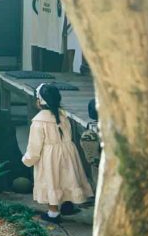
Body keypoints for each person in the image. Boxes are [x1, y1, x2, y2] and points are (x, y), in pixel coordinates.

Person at [21, 83, 94, 223]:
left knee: (52, 182)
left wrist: (27, 159)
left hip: (50, 158)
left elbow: (34, 147)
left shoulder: (38, 122)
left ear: (40, 101)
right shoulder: (63, 116)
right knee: (67, 178)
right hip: (67, 153)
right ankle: (68, 205)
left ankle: (53, 212)